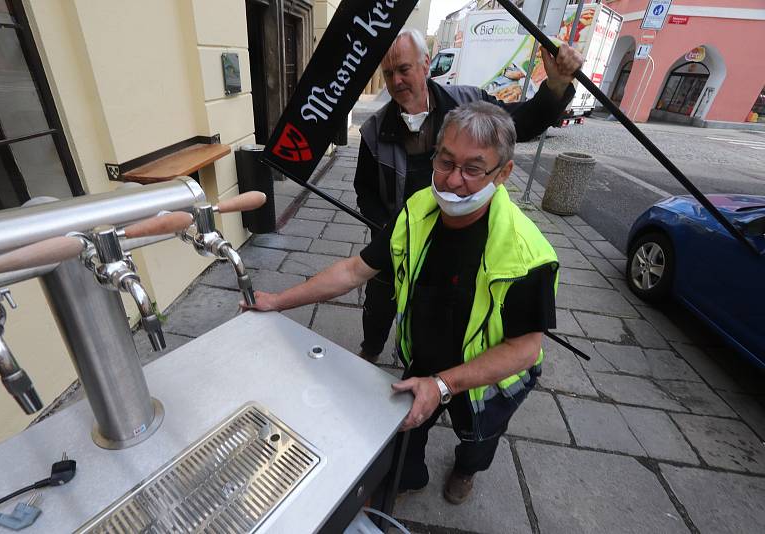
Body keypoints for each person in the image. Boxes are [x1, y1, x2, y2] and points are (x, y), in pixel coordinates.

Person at [243, 102, 558, 504]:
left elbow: (526, 349)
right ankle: (408, 475)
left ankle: (467, 468)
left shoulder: (526, 253)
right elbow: (356, 270)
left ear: (504, 173)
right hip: (425, 357)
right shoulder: (418, 210)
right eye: (446, 161)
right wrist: (278, 301)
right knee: (409, 428)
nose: (453, 181)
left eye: (474, 169)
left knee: (478, 435)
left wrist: (445, 385)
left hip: (488, 377)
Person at [354, 28, 581, 362]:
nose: (397, 80)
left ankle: (436, 370)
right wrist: (391, 232)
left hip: (461, 235)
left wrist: (557, 85)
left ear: (426, 64)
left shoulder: (467, 105)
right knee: (379, 300)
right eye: (389, 74)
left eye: (404, 69)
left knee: (444, 312)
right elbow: (365, 191)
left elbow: (523, 123)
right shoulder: (373, 131)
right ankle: (370, 349)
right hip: (400, 237)